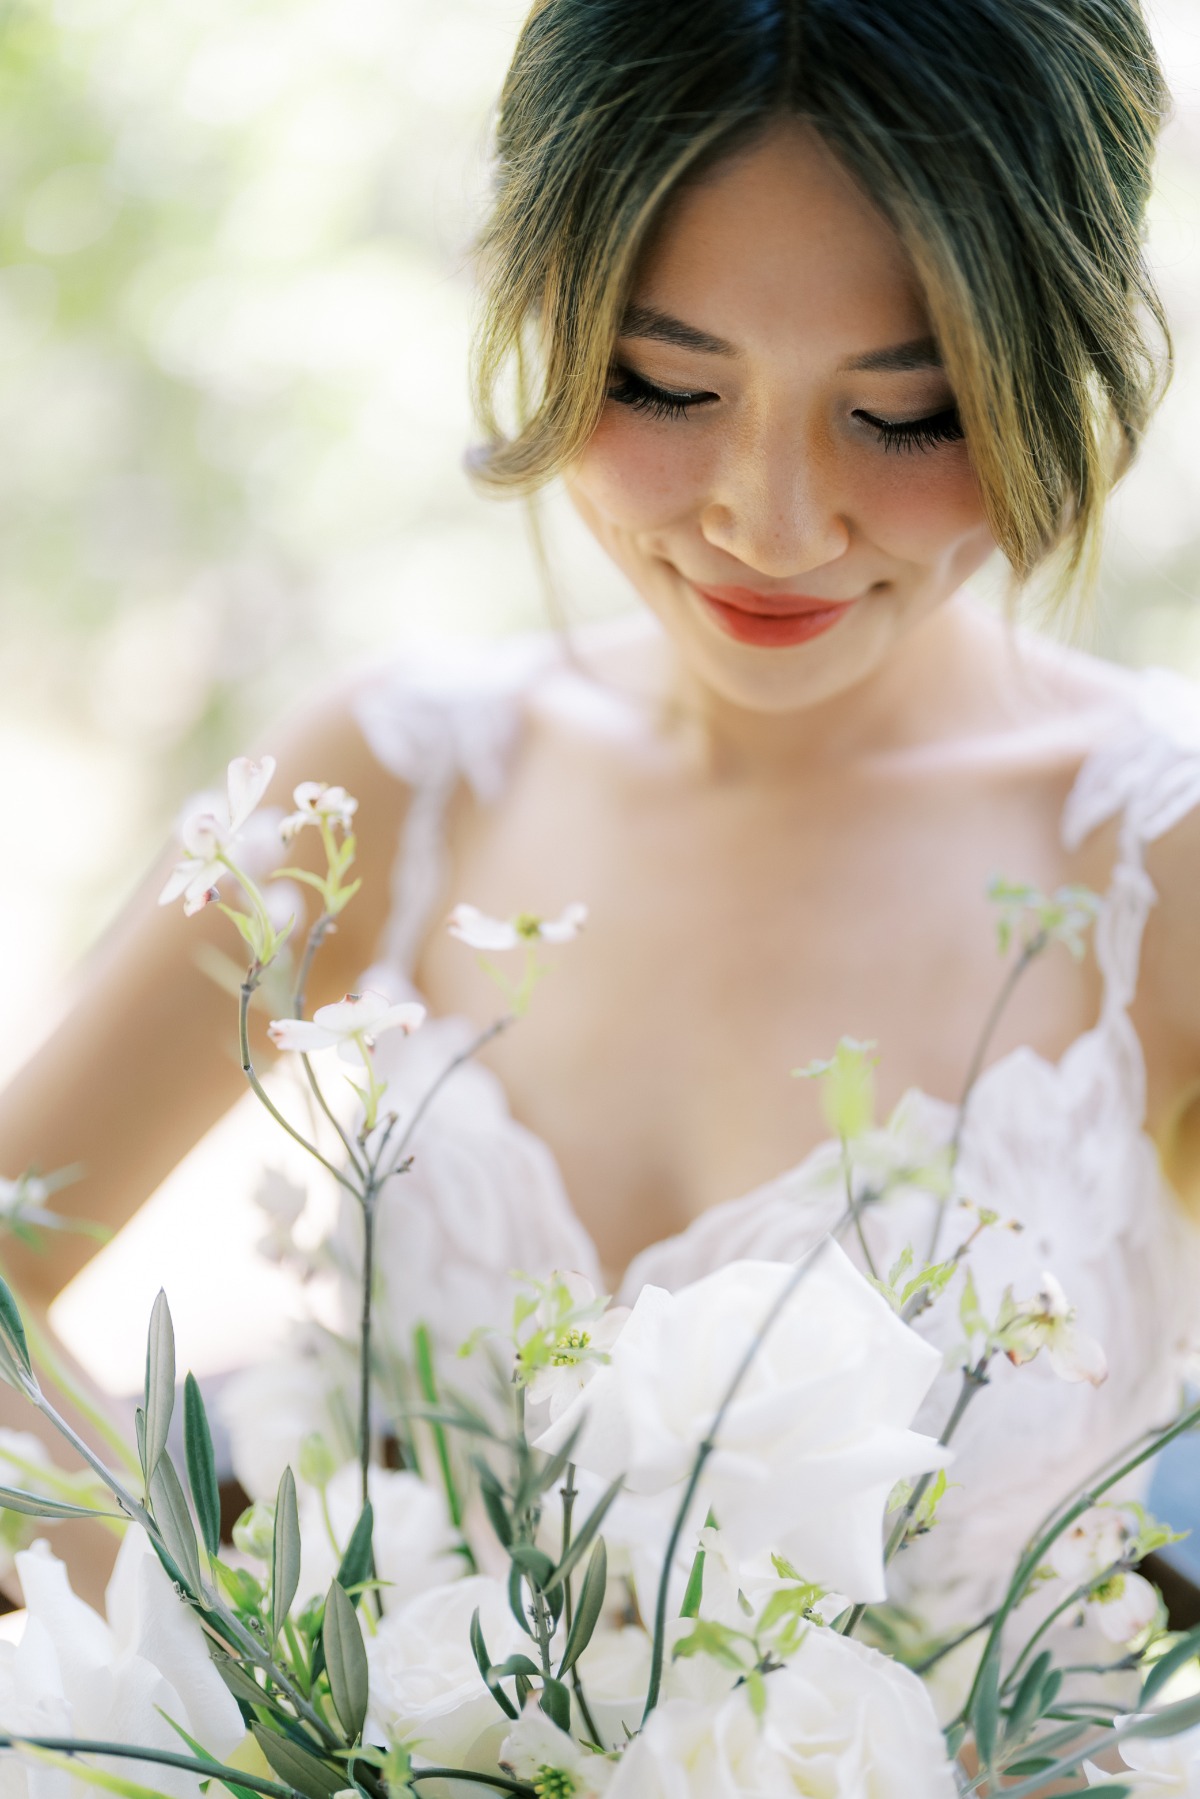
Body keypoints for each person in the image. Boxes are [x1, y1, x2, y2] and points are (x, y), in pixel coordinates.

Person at [2, 0, 1200, 1649]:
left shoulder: (1160, 861)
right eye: (660, 383)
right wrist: (245, 1685)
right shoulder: (401, 783)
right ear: (546, 316)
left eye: (906, 412)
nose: (769, 523)